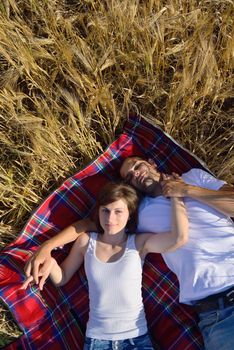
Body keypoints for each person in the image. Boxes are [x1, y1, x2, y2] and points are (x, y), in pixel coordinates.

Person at [25, 156, 234, 350]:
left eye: (137, 165)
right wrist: (46, 248)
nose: (135, 174)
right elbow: (91, 224)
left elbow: (189, 231)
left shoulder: (194, 177)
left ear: (152, 163)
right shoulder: (138, 213)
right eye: (129, 176)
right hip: (216, 313)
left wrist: (185, 190)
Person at [22, 182, 188, 350]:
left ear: (129, 214)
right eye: (105, 211)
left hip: (136, 339)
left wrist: (177, 195)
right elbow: (62, 278)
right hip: (97, 341)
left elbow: (178, 239)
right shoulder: (86, 241)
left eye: (118, 212)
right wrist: (51, 263)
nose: (110, 219)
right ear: (99, 211)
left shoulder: (139, 243)